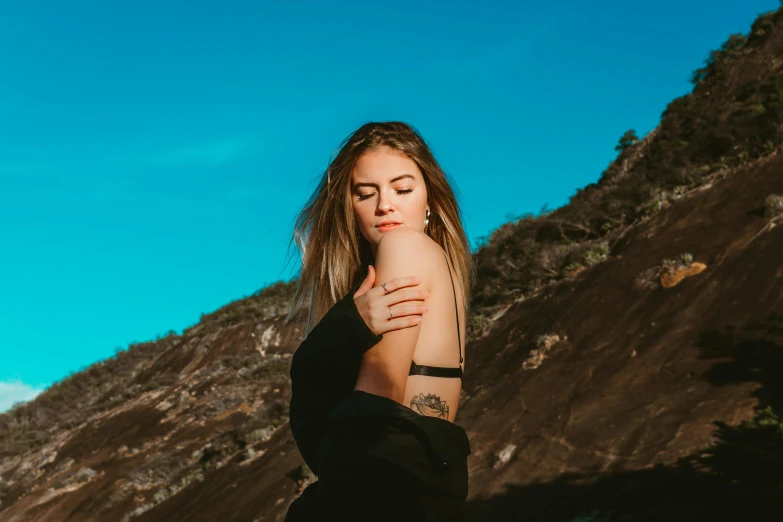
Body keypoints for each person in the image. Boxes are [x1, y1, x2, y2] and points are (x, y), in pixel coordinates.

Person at [284, 121, 475, 521]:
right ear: (349, 207)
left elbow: (376, 401)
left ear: (429, 200)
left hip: (376, 491)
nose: (384, 205)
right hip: (413, 492)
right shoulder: (437, 266)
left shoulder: (404, 247)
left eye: (402, 189)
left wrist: (346, 327)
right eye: (365, 194)